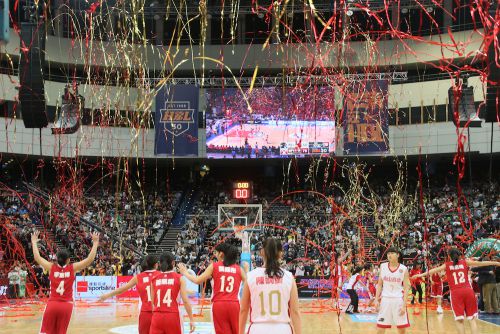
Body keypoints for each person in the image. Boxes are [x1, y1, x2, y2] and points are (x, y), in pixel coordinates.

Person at [411, 248, 500, 334]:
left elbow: (432, 270)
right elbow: (481, 263)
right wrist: (496, 262)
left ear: (449, 256)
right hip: (468, 291)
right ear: (459, 255)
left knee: (459, 320)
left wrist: (419, 275)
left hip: (456, 293)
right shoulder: (465, 262)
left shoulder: (447, 265)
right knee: (472, 320)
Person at [32, 230, 99, 334]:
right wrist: (95, 243)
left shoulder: (51, 267)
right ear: (68, 260)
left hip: (53, 304)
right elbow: (89, 259)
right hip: (67, 306)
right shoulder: (73, 268)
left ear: (57, 259)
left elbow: (37, 257)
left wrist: (33, 242)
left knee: (46, 331)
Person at [178, 243, 247, 334]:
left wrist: (185, 272)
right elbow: (248, 284)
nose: (215, 254)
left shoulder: (214, 266)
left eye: (216, 253)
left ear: (221, 254)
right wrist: (246, 270)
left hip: (219, 304)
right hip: (234, 304)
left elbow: (197, 280)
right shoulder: (239, 269)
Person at [239, 238, 302, 334]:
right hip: (283, 329)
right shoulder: (289, 277)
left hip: (257, 329)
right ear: (281, 253)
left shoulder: (251, 276)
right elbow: (295, 312)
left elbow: (243, 310)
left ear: (261, 252)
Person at [98, 255, 159, 334]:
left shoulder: (138, 277)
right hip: (159, 312)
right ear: (156, 265)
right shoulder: (161, 275)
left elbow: (122, 289)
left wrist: (107, 295)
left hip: (145, 313)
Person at [150, 252, 195, 334]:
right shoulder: (179, 278)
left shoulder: (154, 279)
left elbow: (152, 302)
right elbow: (185, 301)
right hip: (173, 316)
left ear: (159, 264)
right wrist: (191, 319)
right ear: (173, 263)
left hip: (157, 316)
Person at [374, 247, 411, 333]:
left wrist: (404, 305)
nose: (389, 255)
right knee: (380, 328)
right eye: (388, 253)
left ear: (398, 255)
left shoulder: (403, 269)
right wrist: (376, 299)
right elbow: (379, 284)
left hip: (398, 300)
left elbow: (406, 288)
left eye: (392, 253)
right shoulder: (383, 266)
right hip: (385, 300)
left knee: (401, 329)